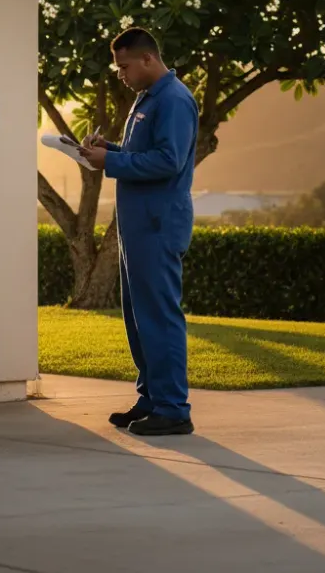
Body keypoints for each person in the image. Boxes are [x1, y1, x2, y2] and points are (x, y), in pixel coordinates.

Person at [78, 27, 199, 436]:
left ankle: (173, 409)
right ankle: (151, 399)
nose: (122, 75)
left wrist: (109, 164)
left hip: (158, 225)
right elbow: (141, 155)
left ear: (148, 59)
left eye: (125, 66)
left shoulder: (175, 100)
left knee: (160, 317)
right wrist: (108, 151)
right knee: (138, 318)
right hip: (138, 226)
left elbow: (168, 160)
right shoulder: (146, 100)